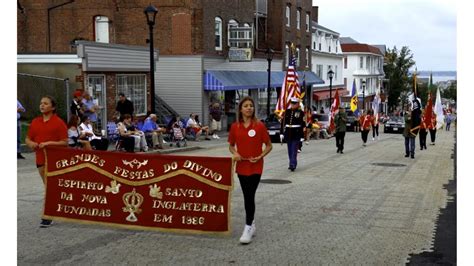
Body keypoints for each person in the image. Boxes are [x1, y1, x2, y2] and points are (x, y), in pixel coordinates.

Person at [228, 96, 272, 244]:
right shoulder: (235, 127)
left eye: (251, 106)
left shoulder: (259, 126)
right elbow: (231, 145)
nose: (249, 108)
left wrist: (260, 156)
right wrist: (235, 153)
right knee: (248, 195)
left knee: (249, 195)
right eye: (246, 106)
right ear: (240, 109)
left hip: (255, 167)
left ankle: (247, 227)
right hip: (241, 167)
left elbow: (269, 145)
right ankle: (251, 224)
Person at [25, 96, 68, 228]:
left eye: (45, 103)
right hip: (40, 159)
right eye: (41, 103)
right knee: (48, 187)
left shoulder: (59, 122)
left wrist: (49, 143)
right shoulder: (35, 122)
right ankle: (57, 207)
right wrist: (31, 143)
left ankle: (48, 215)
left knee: (50, 188)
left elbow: (65, 142)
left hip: (55, 160)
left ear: (53, 107)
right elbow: (27, 138)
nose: (42, 105)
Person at [280, 97, 306, 171]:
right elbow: (283, 123)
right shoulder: (287, 111)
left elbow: (303, 124)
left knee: (294, 149)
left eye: (294, 103)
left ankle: (293, 164)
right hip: (288, 132)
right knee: (289, 150)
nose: (293, 105)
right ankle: (291, 162)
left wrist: (302, 136)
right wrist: (281, 133)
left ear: (298, 104)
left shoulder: (300, 112)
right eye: (292, 103)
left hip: (296, 132)